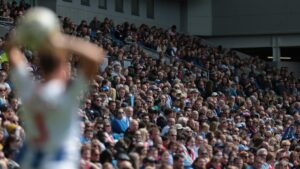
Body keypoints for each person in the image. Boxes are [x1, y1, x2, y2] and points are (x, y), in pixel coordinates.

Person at [6, 8, 104, 169]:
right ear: (62, 68)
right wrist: (59, 40)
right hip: (58, 163)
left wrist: (25, 35)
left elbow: (11, 51)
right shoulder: (65, 94)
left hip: (30, 162)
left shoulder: (28, 88)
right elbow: (96, 56)